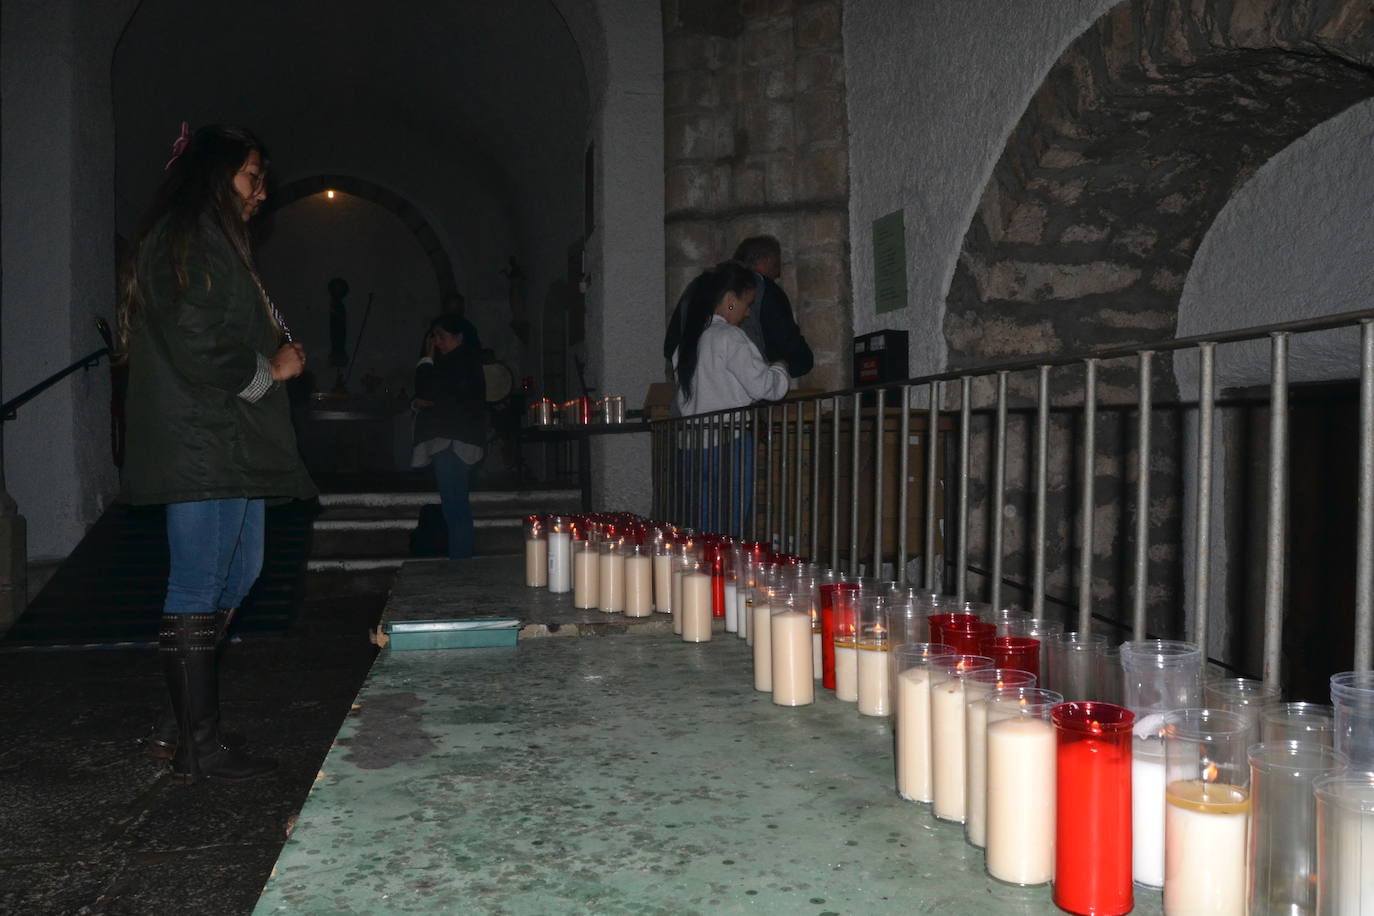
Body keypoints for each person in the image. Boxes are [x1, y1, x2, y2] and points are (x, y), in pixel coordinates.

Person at [120, 123, 316, 783]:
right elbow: (194, 337)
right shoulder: (185, 233)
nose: (261, 192)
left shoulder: (213, 240)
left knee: (242, 572)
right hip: (200, 438)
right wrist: (273, 368)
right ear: (214, 173)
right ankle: (198, 749)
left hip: (229, 438)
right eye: (252, 177)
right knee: (199, 582)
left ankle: (178, 727)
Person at [672, 261, 789, 530]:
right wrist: (780, 370)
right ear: (729, 300)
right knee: (729, 526)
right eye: (747, 304)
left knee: (702, 527)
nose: (748, 313)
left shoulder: (688, 341)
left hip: (692, 444)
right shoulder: (729, 337)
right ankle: (725, 571)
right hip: (728, 443)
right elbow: (764, 387)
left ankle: (702, 571)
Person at [663, 234, 814, 381]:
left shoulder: (698, 284)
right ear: (768, 260)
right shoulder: (761, 291)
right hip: (740, 397)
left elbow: (672, 345)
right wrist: (788, 365)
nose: (779, 273)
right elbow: (786, 343)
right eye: (747, 304)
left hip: (692, 390)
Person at [412, 315, 487, 559]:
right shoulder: (458, 362)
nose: (436, 341)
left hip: (453, 442)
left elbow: (428, 388)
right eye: (433, 336)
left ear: (459, 337)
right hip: (454, 440)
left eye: (441, 336)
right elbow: (432, 395)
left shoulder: (458, 361)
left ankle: (460, 563)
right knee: (455, 508)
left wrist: (426, 358)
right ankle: (460, 559)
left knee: (455, 509)